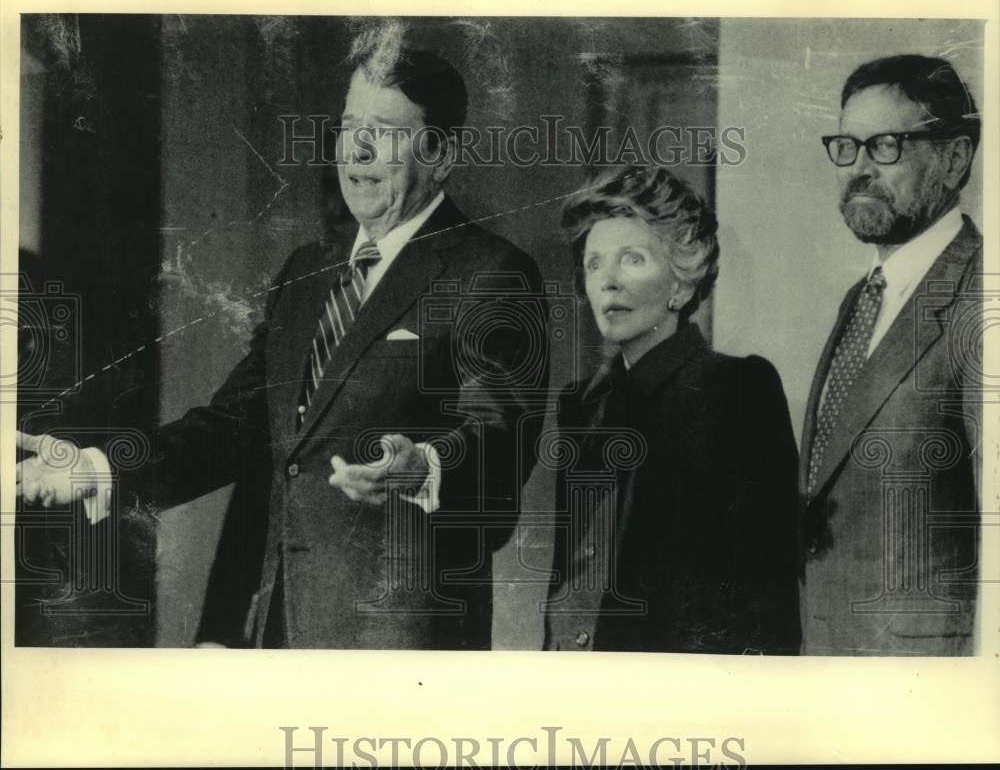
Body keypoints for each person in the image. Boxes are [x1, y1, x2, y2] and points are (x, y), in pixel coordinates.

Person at [16, 45, 549, 650]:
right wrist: (98, 468)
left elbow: (499, 440)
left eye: (384, 131)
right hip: (280, 630)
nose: (358, 151)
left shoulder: (492, 273)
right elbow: (234, 426)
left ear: (441, 154)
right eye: (349, 127)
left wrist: (423, 465)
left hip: (402, 647)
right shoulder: (308, 272)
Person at [543, 164, 801, 653]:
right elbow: (569, 578)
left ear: (682, 284)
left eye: (632, 260)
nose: (607, 282)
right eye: (594, 263)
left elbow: (767, 595)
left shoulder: (736, 389)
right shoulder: (581, 405)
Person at [801, 54, 982, 656]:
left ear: (954, 159)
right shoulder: (864, 296)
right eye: (846, 148)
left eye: (884, 146)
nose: (857, 169)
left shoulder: (983, 296)